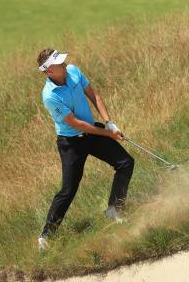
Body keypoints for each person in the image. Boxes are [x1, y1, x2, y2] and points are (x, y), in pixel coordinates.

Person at [36, 49, 134, 251]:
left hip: (93, 134)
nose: (64, 64)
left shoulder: (73, 71)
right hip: (71, 143)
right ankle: (46, 235)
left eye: (62, 60)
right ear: (48, 71)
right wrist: (108, 134)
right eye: (58, 63)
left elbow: (94, 95)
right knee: (68, 189)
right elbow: (75, 123)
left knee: (125, 163)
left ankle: (114, 210)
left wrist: (109, 123)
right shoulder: (49, 96)